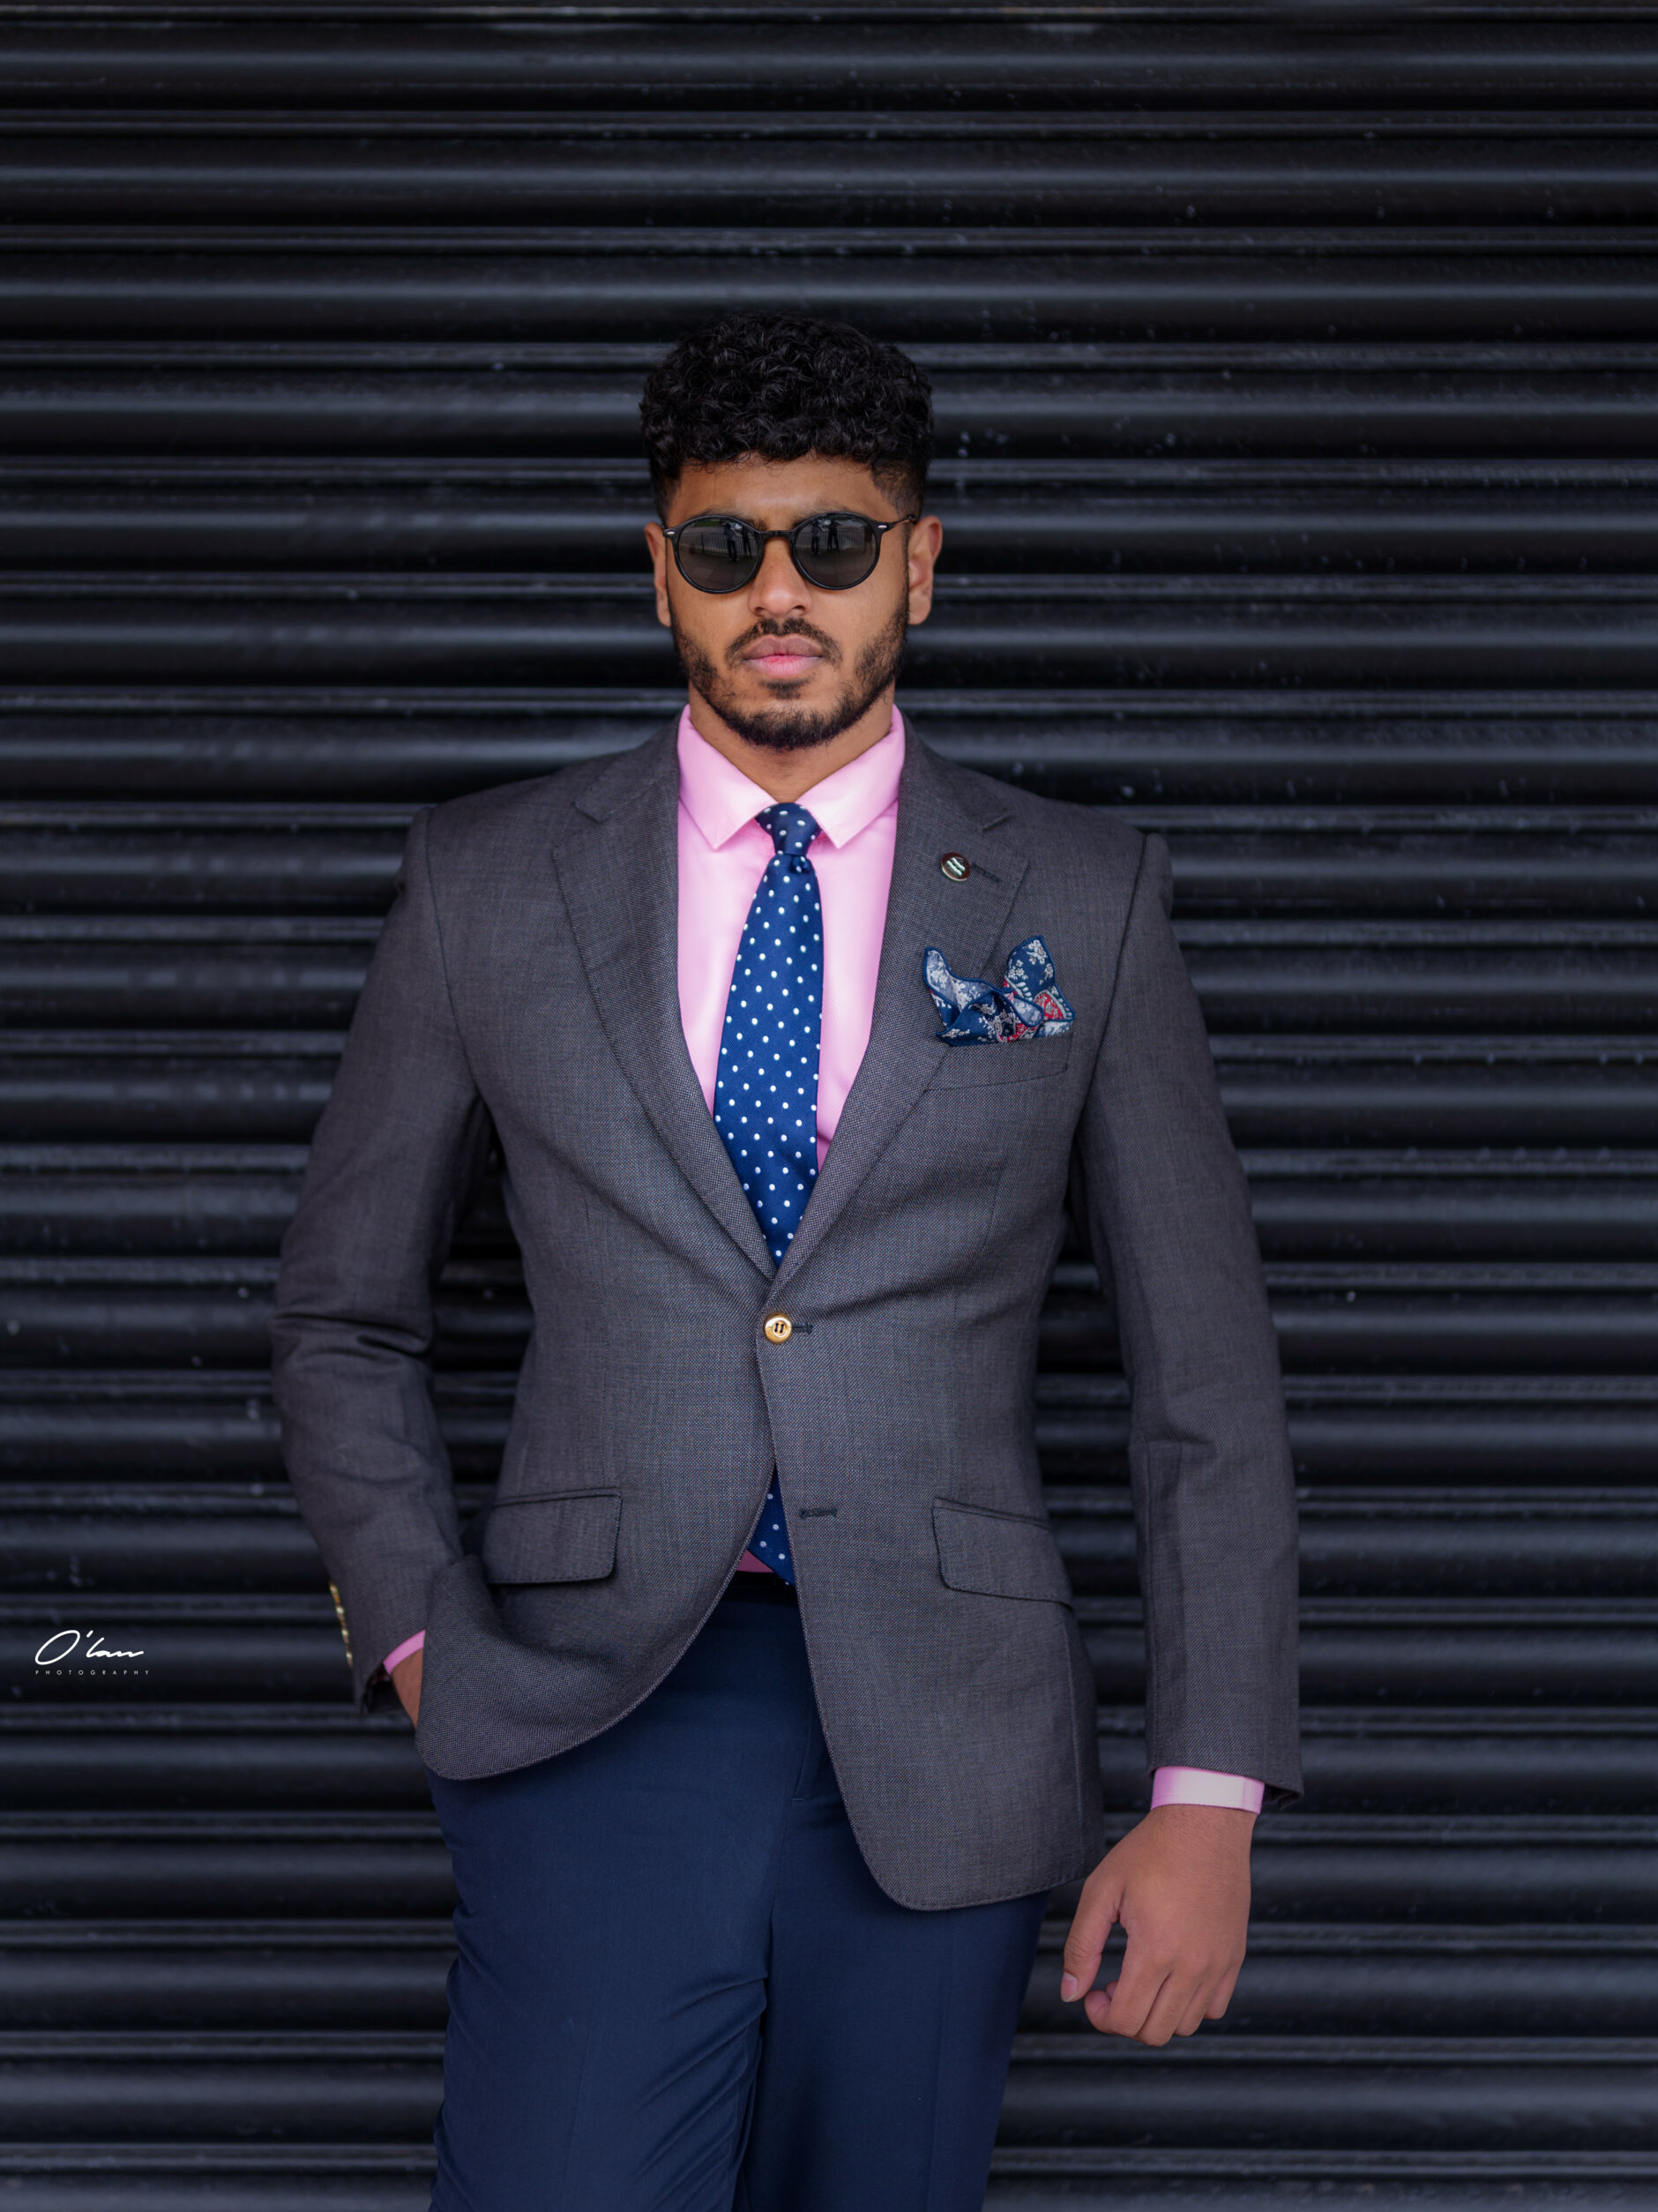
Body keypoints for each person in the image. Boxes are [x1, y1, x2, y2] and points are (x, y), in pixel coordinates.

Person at [272, 312, 1300, 2212]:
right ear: (657, 567)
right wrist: (421, 1641)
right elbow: (343, 1315)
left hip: (948, 1726)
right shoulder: (483, 882)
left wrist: (1208, 1792)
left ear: (919, 562)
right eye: (724, 543)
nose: (778, 593)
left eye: (832, 542)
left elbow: (1204, 1385)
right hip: (587, 1711)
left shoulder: (1085, 898)